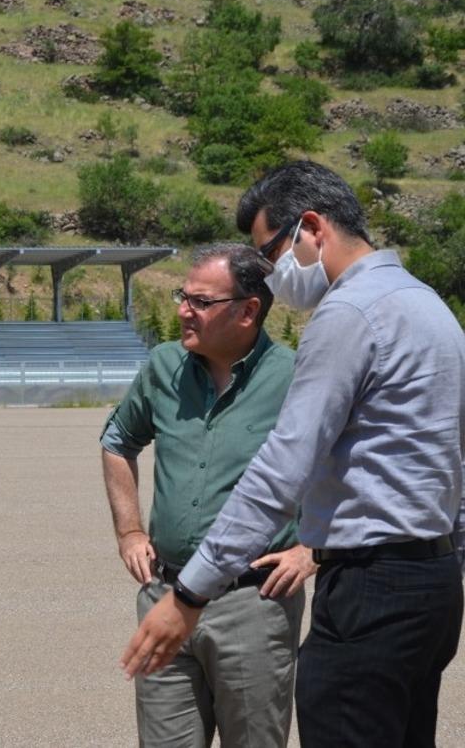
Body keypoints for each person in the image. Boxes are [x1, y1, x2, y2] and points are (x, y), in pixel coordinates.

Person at [121, 161, 465, 748]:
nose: (273, 275)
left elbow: (281, 470)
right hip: (430, 584)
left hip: (368, 591)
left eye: (271, 253)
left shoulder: (349, 313)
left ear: (311, 227)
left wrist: (190, 593)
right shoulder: (428, 306)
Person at [102, 244, 315, 747]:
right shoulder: (163, 367)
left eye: (200, 301)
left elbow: (344, 471)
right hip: (165, 592)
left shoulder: (296, 377)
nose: (183, 310)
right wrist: (129, 531)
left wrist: (311, 550)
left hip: (253, 604)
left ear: (248, 311)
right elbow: (117, 442)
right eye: (183, 296)